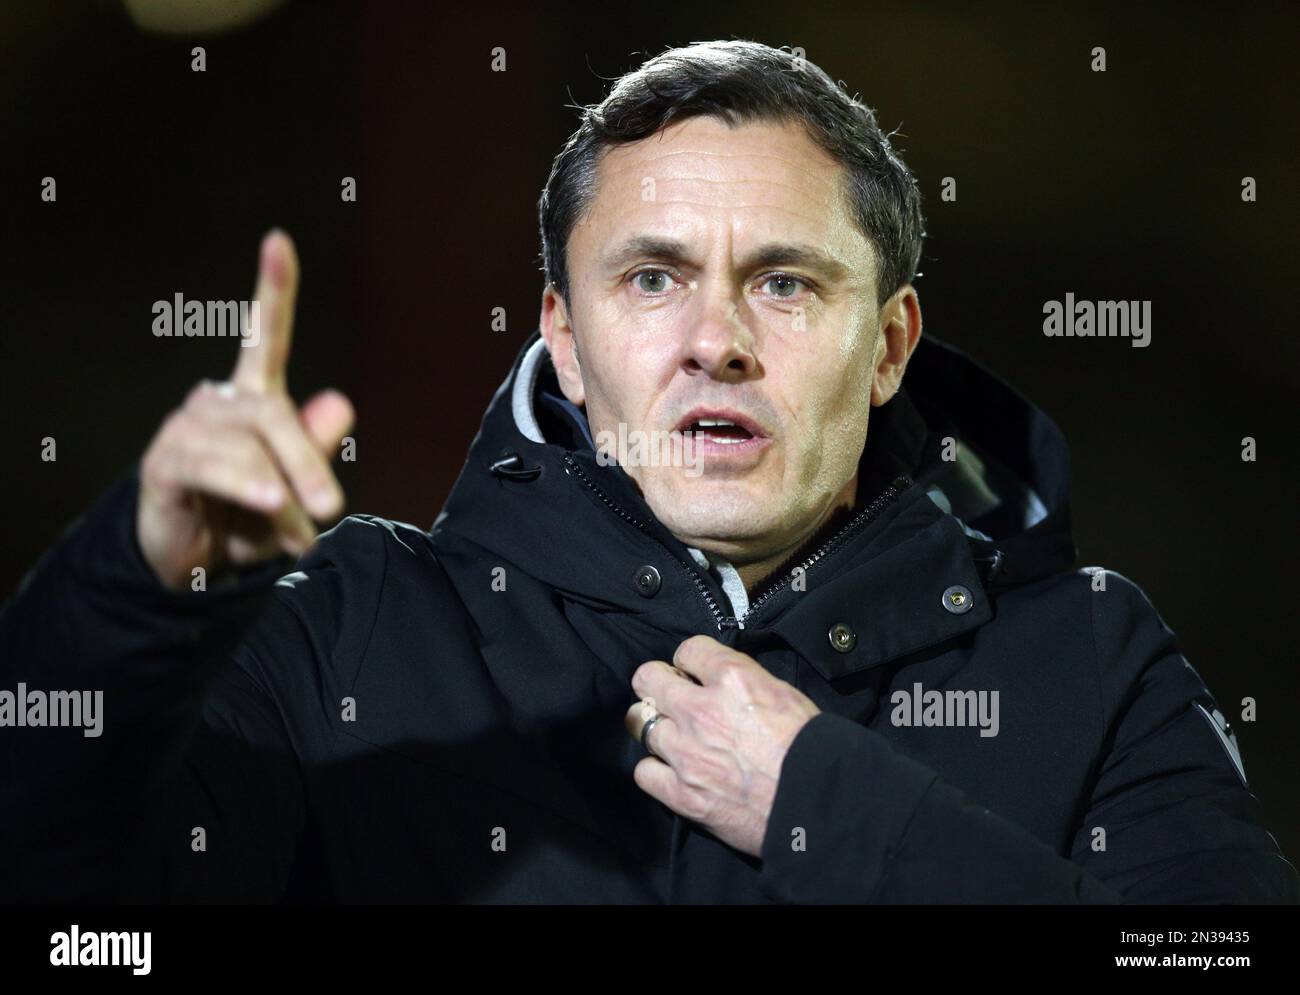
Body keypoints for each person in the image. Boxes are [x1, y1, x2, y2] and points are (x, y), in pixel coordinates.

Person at [1, 39, 1294, 904]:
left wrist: (836, 813)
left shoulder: (1093, 655)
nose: (717, 342)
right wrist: (134, 589)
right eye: (653, 278)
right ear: (564, 337)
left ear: (891, 343)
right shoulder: (353, 627)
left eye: (784, 282)